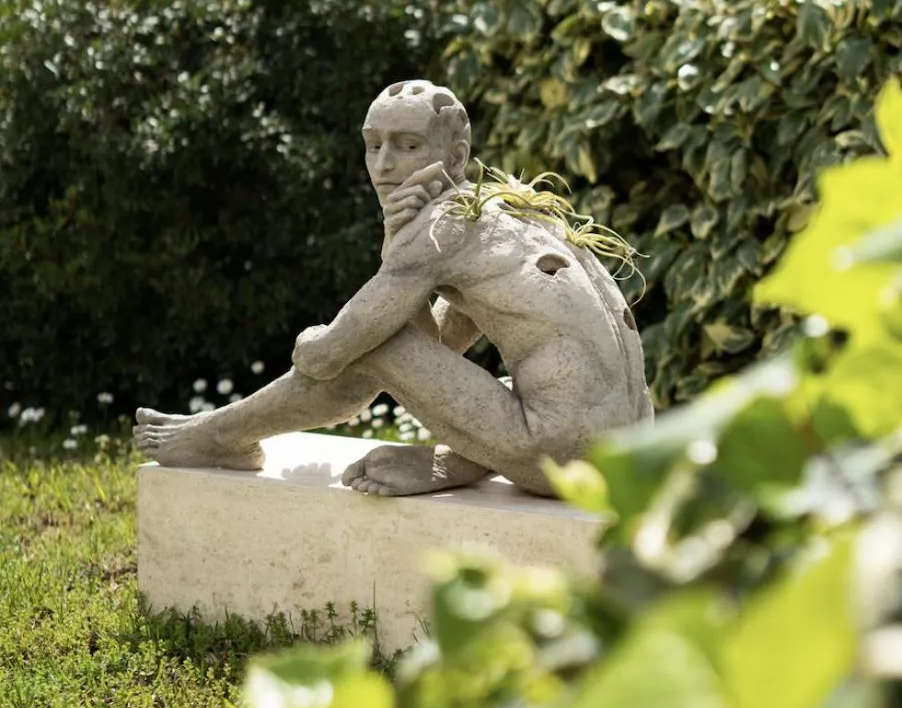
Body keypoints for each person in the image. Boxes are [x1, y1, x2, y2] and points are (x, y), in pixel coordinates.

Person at [134, 80, 652, 496]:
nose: (383, 166)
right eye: (373, 145)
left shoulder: (442, 227)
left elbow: (331, 353)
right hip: (628, 445)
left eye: (407, 146)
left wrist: (386, 264)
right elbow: (440, 350)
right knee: (387, 342)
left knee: (367, 343)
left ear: (455, 156)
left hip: (563, 455)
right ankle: (456, 464)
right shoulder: (511, 212)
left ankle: (221, 436)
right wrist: (399, 263)